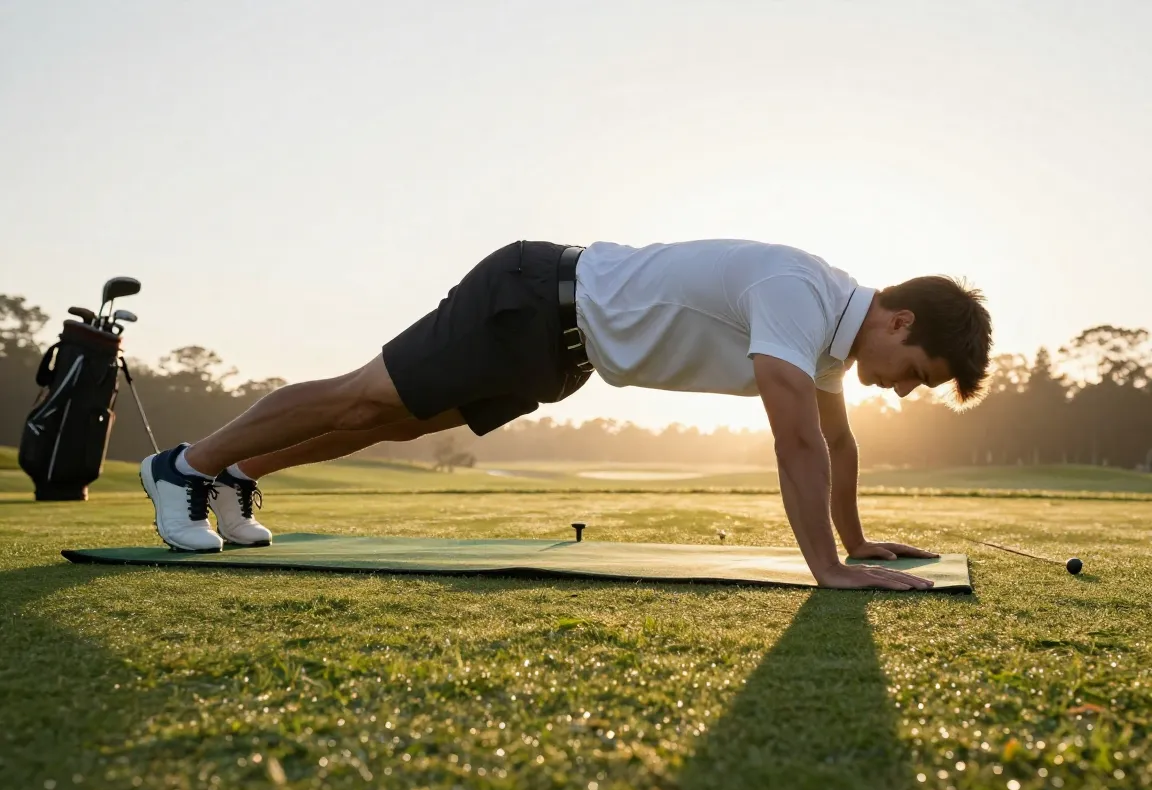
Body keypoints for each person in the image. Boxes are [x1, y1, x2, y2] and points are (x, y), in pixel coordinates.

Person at [139, 238, 992, 591]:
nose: (906, 392)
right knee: (366, 394)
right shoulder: (800, 295)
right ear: (899, 321)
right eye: (918, 375)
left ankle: (240, 474)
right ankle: (186, 465)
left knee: (394, 423)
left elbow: (837, 440)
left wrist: (855, 539)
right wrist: (829, 573)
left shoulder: (833, 337)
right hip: (530, 298)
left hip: (561, 350)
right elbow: (797, 437)